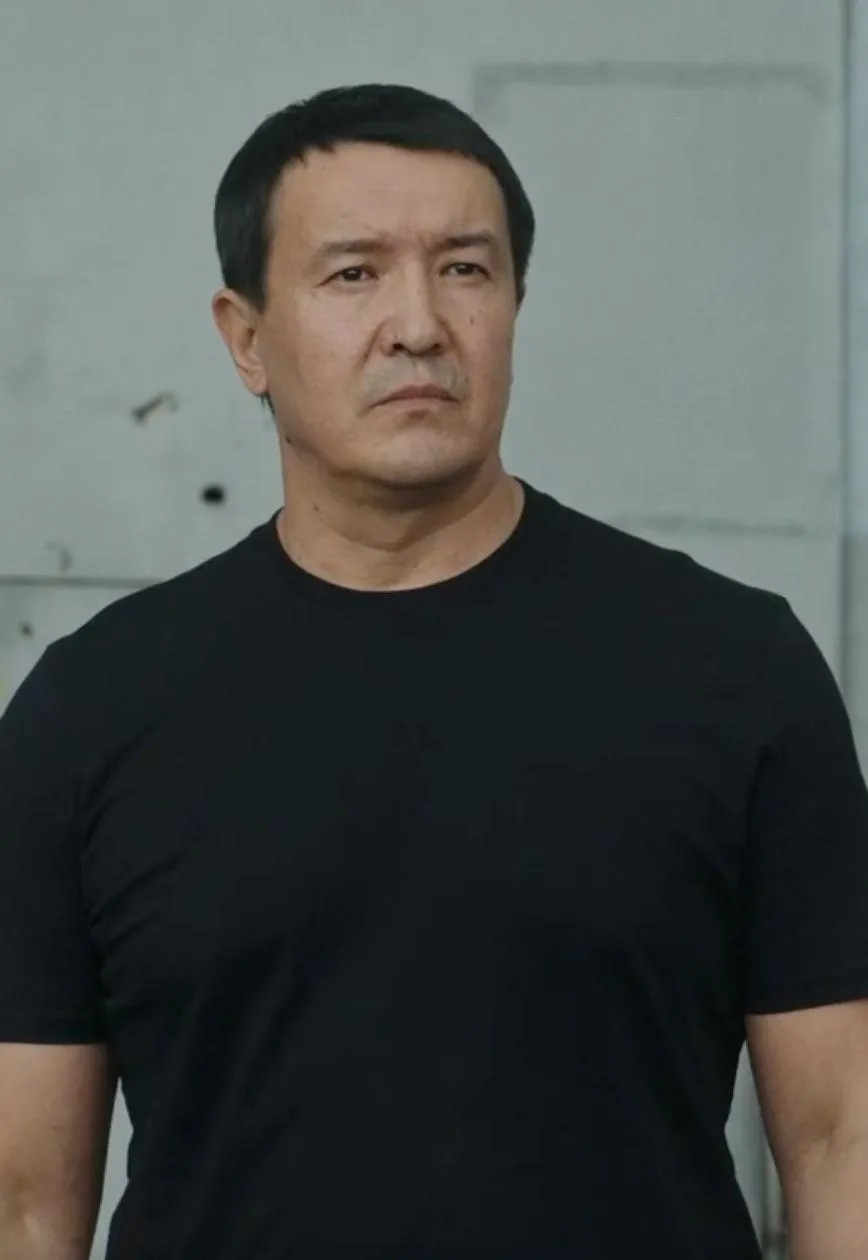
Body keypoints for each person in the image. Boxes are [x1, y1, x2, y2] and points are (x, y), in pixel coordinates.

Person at [1, 82, 868, 1260]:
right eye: (353, 273)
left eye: (465, 270)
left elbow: (840, 1137)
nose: (418, 324)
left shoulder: (734, 670)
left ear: (514, 305)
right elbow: (23, 1202)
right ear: (246, 337)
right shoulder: (92, 710)